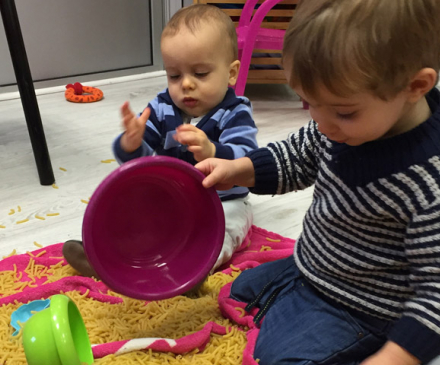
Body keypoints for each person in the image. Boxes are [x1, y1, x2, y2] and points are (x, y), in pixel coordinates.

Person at [195, 0, 440, 363]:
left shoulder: (428, 184)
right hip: (312, 267)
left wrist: (394, 357)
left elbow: (435, 292)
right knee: (234, 293)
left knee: (280, 356)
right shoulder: (340, 128)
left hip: (363, 309)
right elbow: (296, 156)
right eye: (309, 104)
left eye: (343, 111)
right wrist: (238, 169)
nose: (322, 125)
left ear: (415, 86)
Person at [63, 4, 258, 281]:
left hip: (223, 202)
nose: (186, 84)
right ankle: (108, 258)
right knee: (136, 215)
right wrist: (132, 143)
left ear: (231, 73)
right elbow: (139, 165)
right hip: (171, 201)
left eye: (200, 73)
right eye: (175, 75)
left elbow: (248, 159)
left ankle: (194, 270)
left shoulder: (235, 111)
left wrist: (213, 151)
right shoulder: (163, 106)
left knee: (228, 229)